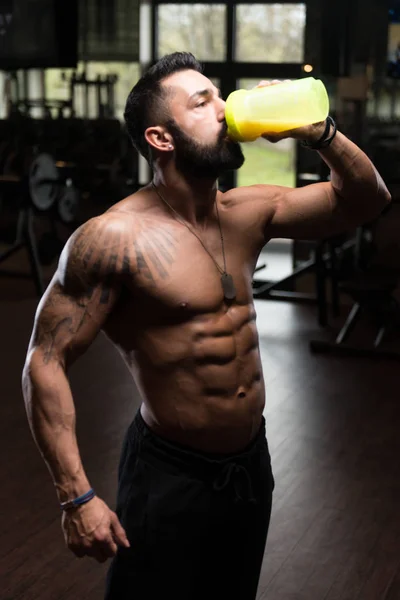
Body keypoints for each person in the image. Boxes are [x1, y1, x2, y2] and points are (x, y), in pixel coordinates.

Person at [21, 52, 391, 600]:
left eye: (220, 96)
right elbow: (43, 361)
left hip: (250, 467)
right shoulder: (113, 239)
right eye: (203, 102)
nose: (225, 109)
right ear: (161, 138)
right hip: (170, 475)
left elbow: (367, 198)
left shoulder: (248, 211)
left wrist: (321, 133)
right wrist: (76, 496)